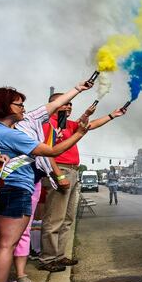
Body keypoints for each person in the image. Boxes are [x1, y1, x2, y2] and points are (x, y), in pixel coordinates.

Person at [0, 87, 90, 282]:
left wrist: (79, 88)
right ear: (5, 107)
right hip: (16, 189)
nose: (24, 108)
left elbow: (51, 107)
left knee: (2, 241)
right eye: (19, 104)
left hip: (6, 188)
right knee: (6, 244)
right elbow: (50, 151)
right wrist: (80, 134)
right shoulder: (10, 133)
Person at [38, 94, 127, 272]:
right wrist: (59, 175)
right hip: (60, 171)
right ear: (54, 104)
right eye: (65, 104)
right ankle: (47, 259)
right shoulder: (47, 124)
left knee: (68, 218)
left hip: (73, 171)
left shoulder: (69, 124)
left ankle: (60, 256)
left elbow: (90, 125)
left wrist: (112, 115)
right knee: (54, 218)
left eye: (71, 104)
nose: (69, 107)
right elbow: (44, 153)